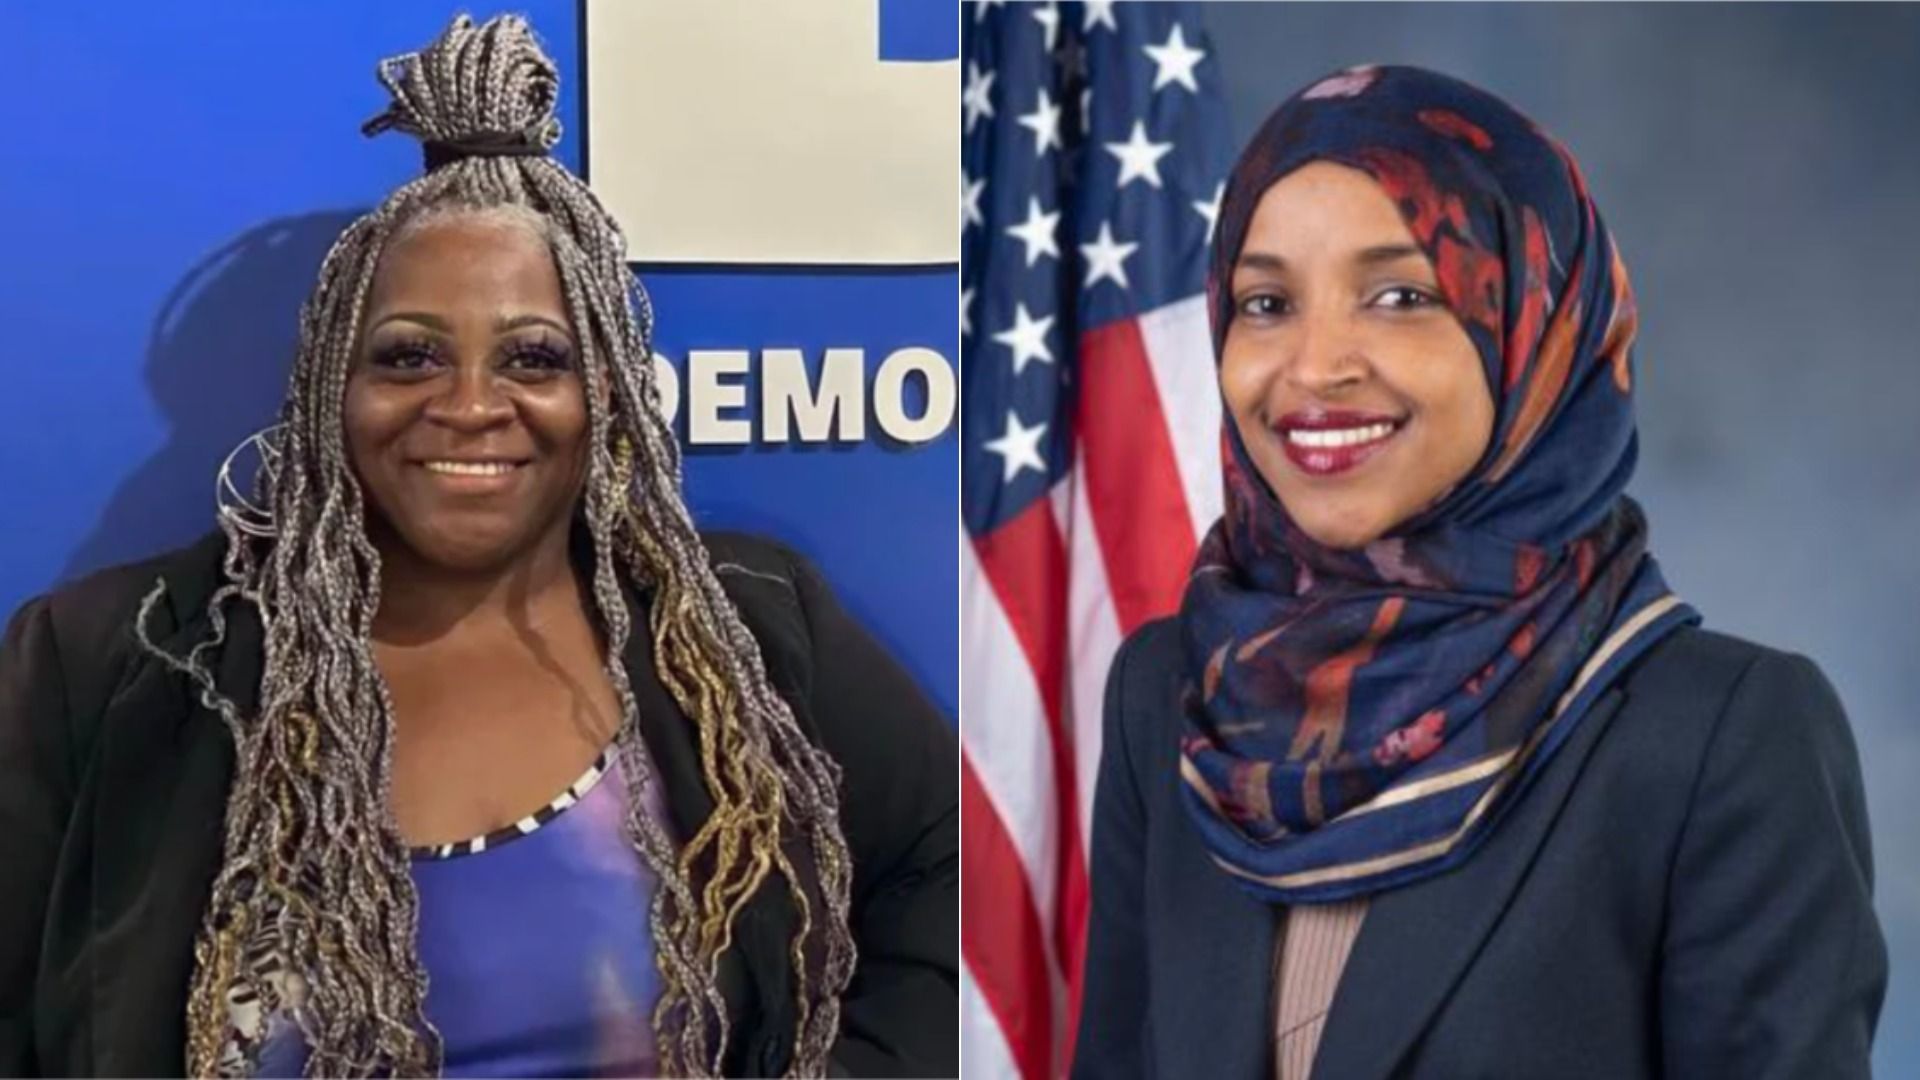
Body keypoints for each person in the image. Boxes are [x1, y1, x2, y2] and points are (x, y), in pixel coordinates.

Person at [0, 15, 955, 1079]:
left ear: (607, 399)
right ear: (329, 392)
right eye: (408, 357)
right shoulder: (113, 666)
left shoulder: (743, 631)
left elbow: (951, 873)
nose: (468, 405)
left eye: (533, 359)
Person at [1073, 65, 1885, 1079]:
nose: (1316, 365)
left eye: (1401, 295)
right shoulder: (1168, 694)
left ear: (1536, 332)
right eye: (1267, 301)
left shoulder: (1721, 737)